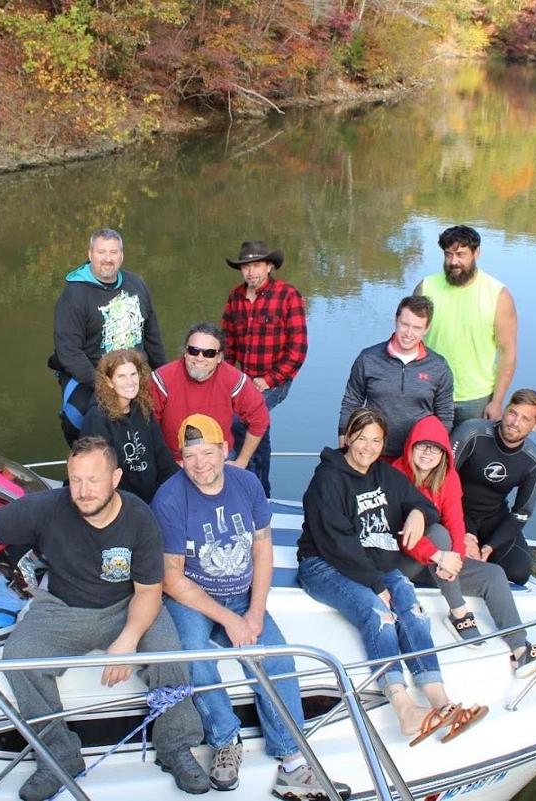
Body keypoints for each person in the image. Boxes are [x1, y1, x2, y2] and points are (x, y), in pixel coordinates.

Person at [0, 438, 208, 801]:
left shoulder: (139, 517)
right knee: (20, 658)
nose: (83, 491)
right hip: (62, 608)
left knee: (169, 654)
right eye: (75, 479)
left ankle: (176, 745)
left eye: (93, 480)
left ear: (115, 478)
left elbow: (148, 592)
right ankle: (58, 757)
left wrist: (128, 640)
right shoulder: (48, 507)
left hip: (126, 606)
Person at [154, 414, 346, 799]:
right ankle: (226, 741)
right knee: (194, 655)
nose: (200, 464)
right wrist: (229, 620)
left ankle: (291, 759)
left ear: (225, 450)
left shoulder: (247, 484)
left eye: (207, 452)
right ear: (180, 459)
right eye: (190, 456)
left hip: (242, 592)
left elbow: (262, 546)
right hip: (193, 596)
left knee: (278, 659)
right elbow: (172, 577)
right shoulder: (169, 499)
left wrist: (254, 612)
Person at [297, 408, 488, 745]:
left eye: (376, 440)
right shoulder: (327, 480)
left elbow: (424, 503)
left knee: (412, 610)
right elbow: (337, 544)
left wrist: (416, 512)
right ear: (348, 439)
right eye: (361, 439)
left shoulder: (384, 473)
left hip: (374, 563)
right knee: (379, 615)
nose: (368, 448)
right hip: (323, 564)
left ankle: (441, 702)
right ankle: (404, 708)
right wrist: (377, 584)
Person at [390, 414, 536, 677]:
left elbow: (456, 519)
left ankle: (520, 648)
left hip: (438, 565)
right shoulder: (394, 477)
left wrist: (454, 556)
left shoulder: (447, 477)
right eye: (421, 445)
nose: (427, 453)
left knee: (493, 574)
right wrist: (441, 555)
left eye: (435, 448)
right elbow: (401, 537)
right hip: (401, 563)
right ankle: (458, 613)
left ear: (444, 453)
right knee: (437, 532)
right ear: (410, 445)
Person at [51, 228, 166, 445]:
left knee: (157, 415)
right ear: (90, 254)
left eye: (113, 253)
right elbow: (69, 352)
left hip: (134, 373)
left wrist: (163, 376)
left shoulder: (137, 284)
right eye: (101, 252)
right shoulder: (73, 295)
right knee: (80, 419)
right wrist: (107, 385)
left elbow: (152, 336)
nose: (107, 259)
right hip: (91, 375)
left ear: (121, 256)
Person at [221, 240, 309, 497]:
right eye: (246, 266)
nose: (251, 272)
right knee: (234, 419)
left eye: (256, 265)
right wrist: (224, 381)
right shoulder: (235, 297)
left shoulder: (287, 295)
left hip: (276, 380)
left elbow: (298, 349)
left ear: (269, 266)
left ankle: (259, 490)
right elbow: (227, 346)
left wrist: (270, 380)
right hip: (242, 381)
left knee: (247, 419)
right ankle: (244, 482)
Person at [413, 225, 517, 430]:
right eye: (448, 254)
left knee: (472, 459)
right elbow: (407, 339)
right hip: (429, 392)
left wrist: (497, 402)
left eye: (461, 254)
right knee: (425, 457)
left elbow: (508, 352)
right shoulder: (426, 288)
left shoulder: (498, 295)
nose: (453, 262)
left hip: (476, 399)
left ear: (476, 253)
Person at [338, 296, 454, 460]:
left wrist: (434, 451)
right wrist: (344, 432)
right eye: (405, 324)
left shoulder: (439, 366)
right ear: (396, 320)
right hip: (373, 453)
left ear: (426, 329)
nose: (409, 333)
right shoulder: (368, 358)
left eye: (417, 327)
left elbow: (445, 415)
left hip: (415, 458)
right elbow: (352, 400)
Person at [451, 388, 536, 586]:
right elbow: (441, 481)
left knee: (519, 573)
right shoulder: (472, 432)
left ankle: (482, 560)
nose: (515, 422)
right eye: (513, 413)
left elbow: (522, 513)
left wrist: (489, 547)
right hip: (455, 510)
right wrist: (463, 533)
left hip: (492, 517)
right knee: (456, 558)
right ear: (504, 411)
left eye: (525, 419)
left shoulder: (533, 460)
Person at [151, 322, 269, 468]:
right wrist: (165, 462)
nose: (200, 358)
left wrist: (242, 461)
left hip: (219, 459)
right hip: (174, 461)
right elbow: (147, 425)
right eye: (194, 351)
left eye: (209, 353)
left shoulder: (233, 379)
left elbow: (259, 418)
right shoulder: (162, 379)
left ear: (219, 357)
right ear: (185, 353)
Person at [79, 349, 177, 503]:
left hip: (153, 496)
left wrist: (180, 485)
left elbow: (162, 455)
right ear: (109, 382)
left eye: (133, 374)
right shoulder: (97, 418)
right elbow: (99, 473)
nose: (130, 382)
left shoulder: (144, 409)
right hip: (122, 503)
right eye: (121, 376)